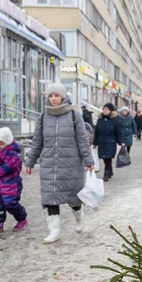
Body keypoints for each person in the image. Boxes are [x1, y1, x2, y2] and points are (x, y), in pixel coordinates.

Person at [25, 83, 95, 244]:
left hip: (71, 164)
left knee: (74, 198)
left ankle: (79, 216)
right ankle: (54, 231)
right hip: (49, 164)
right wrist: (30, 161)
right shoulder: (43, 117)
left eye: (56, 95)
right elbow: (37, 142)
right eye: (50, 96)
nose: (53, 99)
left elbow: (82, 140)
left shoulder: (74, 116)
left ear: (63, 96)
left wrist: (89, 160)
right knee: (50, 197)